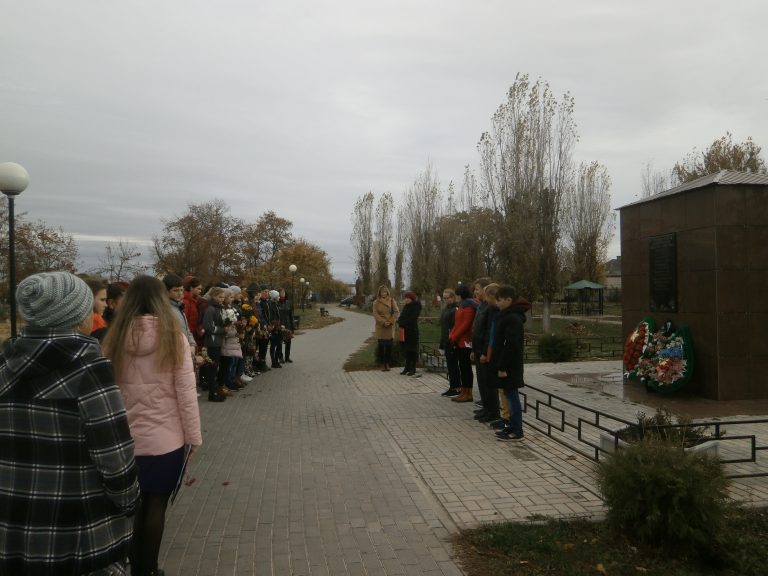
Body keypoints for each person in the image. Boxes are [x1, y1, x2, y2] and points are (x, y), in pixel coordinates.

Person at [0, 272, 140, 576]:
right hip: (77, 526)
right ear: (77, 314)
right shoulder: (88, 367)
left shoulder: (5, 364)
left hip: (13, 520)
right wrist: (129, 501)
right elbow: (115, 456)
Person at [102, 275, 202, 576]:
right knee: (156, 506)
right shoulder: (174, 338)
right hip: (165, 440)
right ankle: (149, 569)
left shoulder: (113, 338)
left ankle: (132, 567)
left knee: (132, 508)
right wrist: (193, 438)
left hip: (123, 439)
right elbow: (186, 393)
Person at [492, 284, 528, 441]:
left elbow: (511, 345)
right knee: (509, 396)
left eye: (499, 300)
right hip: (507, 364)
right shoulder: (507, 315)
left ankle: (517, 430)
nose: (497, 303)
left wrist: (502, 366)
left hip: (510, 366)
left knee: (512, 398)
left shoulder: (512, 318)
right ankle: (511, 427)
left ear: (508, 300)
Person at [449, 284, 478, 402]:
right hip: (458, 340)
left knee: (466, 368)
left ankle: (468, 393)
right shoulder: (462, 305)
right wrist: (452, 336)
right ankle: (464, 391)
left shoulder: (469, 306)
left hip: (465, 341)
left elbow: (466, 325)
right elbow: (457, 323)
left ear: (461, 295)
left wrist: (454, 337)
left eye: (458, 295)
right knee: (462, 366)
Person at [201, 286, 229, 402]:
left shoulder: (220, 308)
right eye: (219, 297)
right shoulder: (211, 309)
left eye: (223, 297)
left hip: (219, 341)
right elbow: (208, 327)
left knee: (216, 367)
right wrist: (223, 330)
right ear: (213, 296)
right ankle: (212, 394)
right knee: (213, 368)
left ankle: (215, 390)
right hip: (212, 342)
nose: (222, 299)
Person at [439, 288, 460, 396]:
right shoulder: (446, 308)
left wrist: (452, 340)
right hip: (446, 340)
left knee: (453, 366)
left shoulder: (455, 309)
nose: (446, 300)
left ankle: (456, 387)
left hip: (453, 341)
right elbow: (443, 326)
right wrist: (442, 343)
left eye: (447, 298)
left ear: (453, 297)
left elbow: (455, 326)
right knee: (450, 366)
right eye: (444, 298)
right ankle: (452, 386)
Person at [372, 285, 399, 371]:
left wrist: (390, 321)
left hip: (390, 326)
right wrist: (383, 322)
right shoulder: (376, 302)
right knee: (381, 347)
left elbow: (396, 312)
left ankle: (387, 363)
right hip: (381, 326)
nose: (383, 293)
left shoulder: (392, 301)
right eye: (382, 292)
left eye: (385, 291)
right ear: (379, 293)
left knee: (388, 347)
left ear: (387, 292)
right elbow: (375, 314)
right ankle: (381, 364)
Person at [397, 290, 422, 377]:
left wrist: (402, 322)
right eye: (405, 298)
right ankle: (406, 367)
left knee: (412, 350)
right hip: (405, 332)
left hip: (412, 331)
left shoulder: (416, 306)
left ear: (412, 299)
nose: (406, 300)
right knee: (406, 350)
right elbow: (402, 316)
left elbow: (412, 318)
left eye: (408, 298)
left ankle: (413, 368)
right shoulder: (406, 306)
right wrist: (399, 321)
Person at [278, 288, 296, 363]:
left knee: (288, 342)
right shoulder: (276, 303)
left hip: (288, 324)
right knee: (280, 342)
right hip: (280, 325)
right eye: (281, 293)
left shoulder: (289, 303)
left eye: (284, 292)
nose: (283, 294)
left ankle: (287, 357)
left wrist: (293, 326)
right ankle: (280, 357)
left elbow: (291, 315)